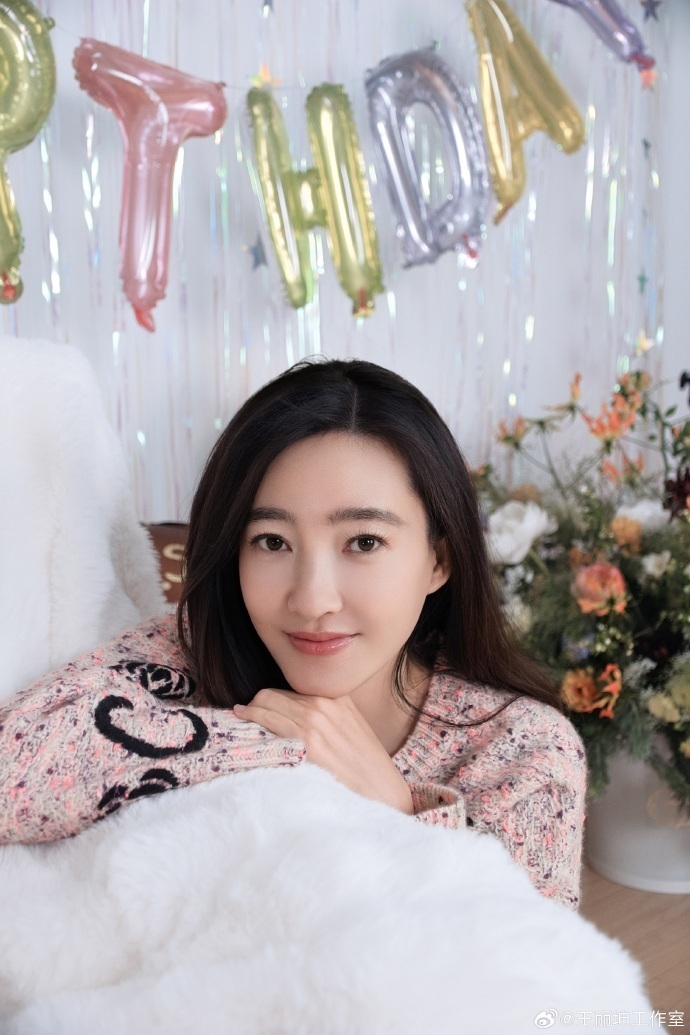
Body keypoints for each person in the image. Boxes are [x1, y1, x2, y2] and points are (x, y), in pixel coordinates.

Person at [0, 358, 586, 908]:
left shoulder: (524, 752)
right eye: (272, 542)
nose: (311, 599)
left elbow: (524, 965)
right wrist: (286, 744)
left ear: (439, 560)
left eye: (363, 542)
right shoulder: (187, 651)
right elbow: (12, 772)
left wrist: (396, 808)